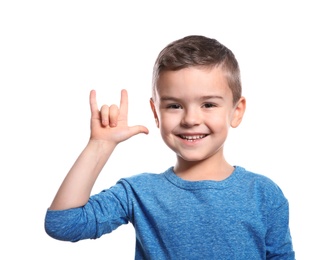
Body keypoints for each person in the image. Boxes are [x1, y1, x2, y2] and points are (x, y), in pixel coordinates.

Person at [44, 35, 295, 259]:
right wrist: (99, 145)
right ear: (156, 113)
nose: (190, 119)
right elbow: (63, 223)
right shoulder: (138, 193)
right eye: (174, 106)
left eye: (208, 104)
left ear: (236, 111)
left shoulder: (264, 194)